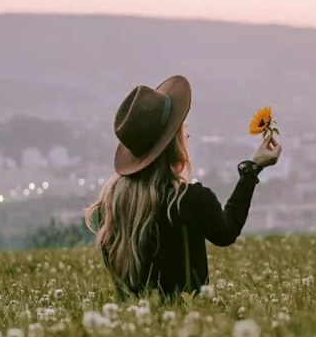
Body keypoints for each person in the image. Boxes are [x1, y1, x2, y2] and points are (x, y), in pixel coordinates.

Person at [85, 75, 282, 300]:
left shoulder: (109, 208)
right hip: (191, 323)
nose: (186, 136)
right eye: (181, 132)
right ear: (173, 144)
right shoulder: (189, 200)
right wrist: (252, 169)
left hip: (134, 329)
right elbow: (227, 232)